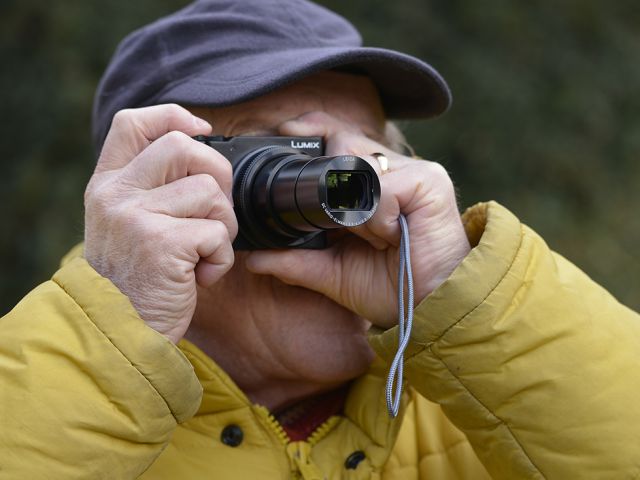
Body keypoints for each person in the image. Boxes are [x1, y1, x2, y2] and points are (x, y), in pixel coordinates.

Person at [1, 1, 639, 478]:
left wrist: (462, 299)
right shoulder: (65, 401)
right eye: (280, 158)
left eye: (371, 159)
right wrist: (116, 332)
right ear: (140, 203)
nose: (343, 210)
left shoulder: (495, 405)